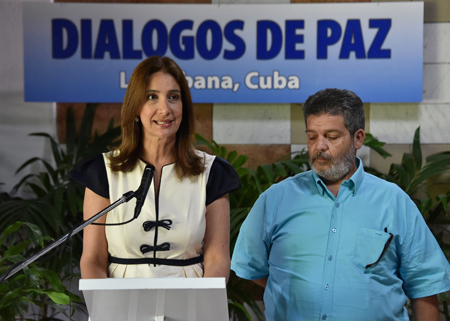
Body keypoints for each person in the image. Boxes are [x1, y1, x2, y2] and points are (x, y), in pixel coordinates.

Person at [231, 88, 450, 320]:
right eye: (312, 136)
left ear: (358, 138)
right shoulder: (275, 199)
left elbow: (425, 286)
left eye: (332, 136)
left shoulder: (393, 201)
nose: (320, 146)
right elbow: (253, 268)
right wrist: (293, 290)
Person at [70, 56, 240, 280]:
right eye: (152, 97)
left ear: (183, 107)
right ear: (135, 107)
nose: (164, 109)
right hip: (121, 305)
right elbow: (93, 259)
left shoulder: (212, 172)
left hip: (190, 306)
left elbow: (217, 259)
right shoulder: (103, 171)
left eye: (173, 97)